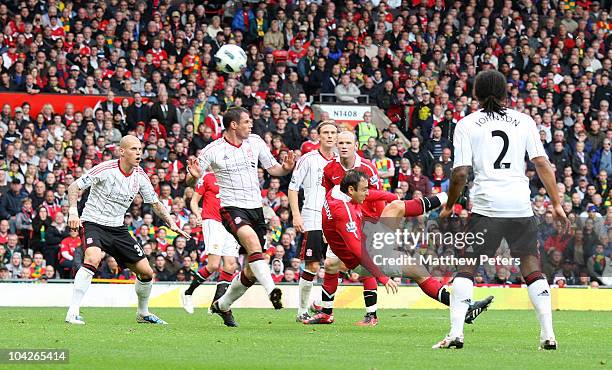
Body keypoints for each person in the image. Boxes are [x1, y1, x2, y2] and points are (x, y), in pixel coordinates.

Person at [433, 70, 568, 350]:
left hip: (486, 204)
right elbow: (542, 163)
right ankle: (548, 335)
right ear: (506, 93)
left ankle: (456, 333)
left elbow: (460, 173)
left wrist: (449, 206)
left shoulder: (467, 124)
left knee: (467, 267)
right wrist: (556, 203)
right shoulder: (524, 121)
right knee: (531, 265)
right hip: (519, 203)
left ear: (475, 94)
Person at [65, 135, 191, 325]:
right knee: (92, 258)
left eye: (140, 149)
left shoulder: (140, 175)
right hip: (94, 223)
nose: (138, 153)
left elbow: (154, 202)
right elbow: (74, 186)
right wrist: (73, 212)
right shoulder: (105, 169)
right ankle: (72, 312)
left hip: (117, 228)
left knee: (147, 272)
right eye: (133, 149)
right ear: (122, 151)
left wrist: (171, 223)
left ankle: (143, 313)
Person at [188, 107, 295, 327]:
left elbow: (273, 168)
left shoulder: (255, 142)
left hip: (256, 208)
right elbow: (192, 181)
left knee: (251, 269)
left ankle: (223, 304)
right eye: (246, 122)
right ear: (233, 125)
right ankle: (272, 290)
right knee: (253, 245)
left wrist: (285, 168)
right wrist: (193, 178)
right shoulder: (213, 150)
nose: (251, 125)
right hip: (231, 208)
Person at [288, 120, 338, 321]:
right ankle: (301, 310)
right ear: (318, 135)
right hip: (313, 216)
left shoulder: (341, 161)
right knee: (313, 266)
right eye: (325, 132)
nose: (329, 136)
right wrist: (296, 214)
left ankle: (319, 302)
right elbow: (293, 188)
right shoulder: (308, 159)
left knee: (338, 264)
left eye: (333, 132)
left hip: (335, 219)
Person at [181, 169, 239, 314]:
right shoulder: (208, 177)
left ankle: (216, 304)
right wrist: (197, 215)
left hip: (230, 223)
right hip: (213, 222)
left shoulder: (235, 179)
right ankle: (188, 293)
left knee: (230, 265)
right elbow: (194, 201)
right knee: (213, 265)